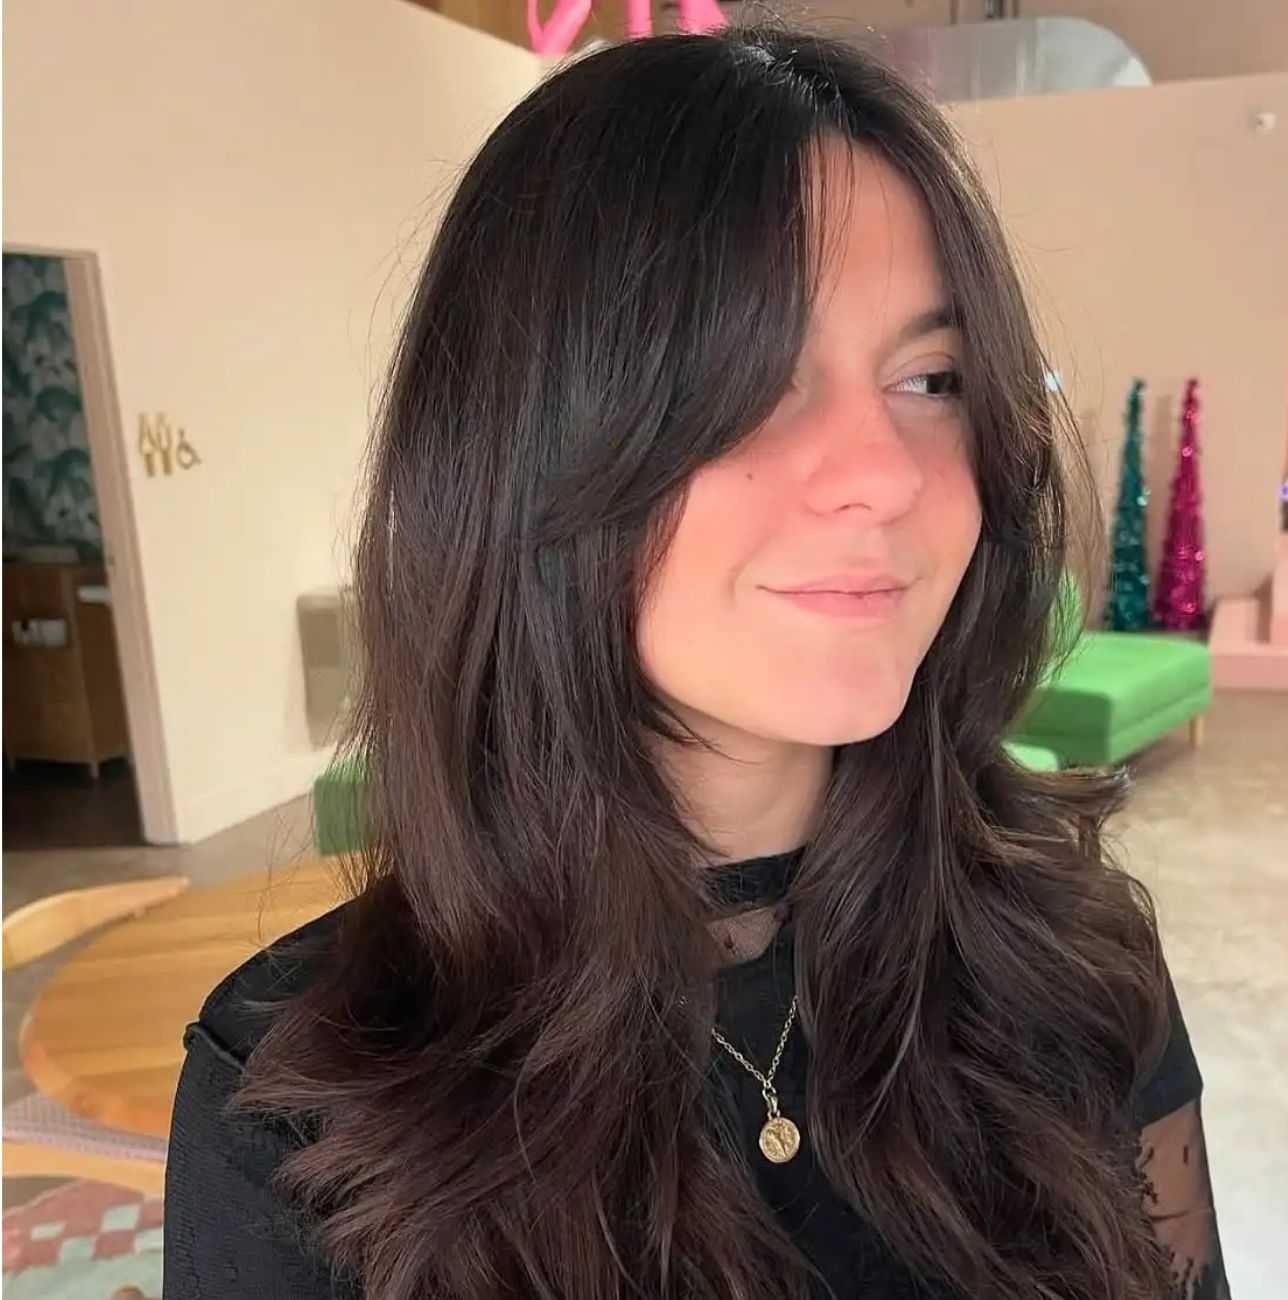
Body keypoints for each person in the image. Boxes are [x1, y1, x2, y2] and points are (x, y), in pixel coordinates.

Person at [162, 25, 1228, 1300]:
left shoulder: (1070, 960)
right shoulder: (310, 1100)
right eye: (756, 382)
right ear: (533, 446)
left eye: (930, 378)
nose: (888, 473)